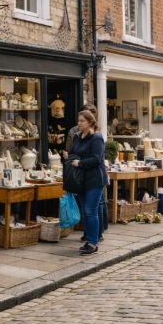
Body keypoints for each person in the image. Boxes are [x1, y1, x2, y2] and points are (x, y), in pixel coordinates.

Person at [68, 110, 107, 256]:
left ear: (90, 122)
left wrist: (80, 163)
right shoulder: (78, 137)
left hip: (95, 179)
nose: (79, 123)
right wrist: (68, 158)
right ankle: (91, 239)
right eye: (78, 121)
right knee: (87, 211)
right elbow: (73, 152)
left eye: (82, 121)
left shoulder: (96, 138)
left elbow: (97, 159)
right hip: (82, 179)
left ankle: (92, 243)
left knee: (91, 211)